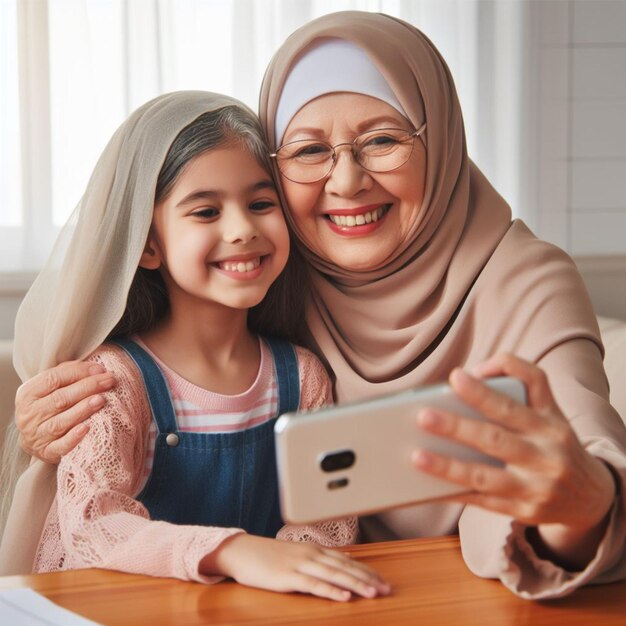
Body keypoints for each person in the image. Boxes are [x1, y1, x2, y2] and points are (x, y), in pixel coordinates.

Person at [8, 12, 626, 599]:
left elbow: (582, 450)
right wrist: (47, 410)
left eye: (383, 140)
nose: (347, 181)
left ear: (440, 139)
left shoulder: (522, 280)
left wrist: (580, 505)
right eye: (307, 151)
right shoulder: (279, 272)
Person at [0, 90, 391, 601]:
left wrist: (296, 573)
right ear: (147, 245)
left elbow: (325, 524)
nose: (242, 229)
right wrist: (234, 552)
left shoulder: (304, 376)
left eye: (260, 204)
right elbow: (93, 526)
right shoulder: (113, 381)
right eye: (206, 212)